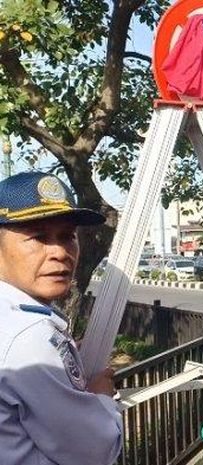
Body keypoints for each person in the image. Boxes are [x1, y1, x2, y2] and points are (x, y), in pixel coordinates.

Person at [0, 171, 123, 464]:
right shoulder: (29, 335)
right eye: (39, 237)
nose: (60, 252)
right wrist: (103, 398)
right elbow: (95, 451)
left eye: (67, 236)